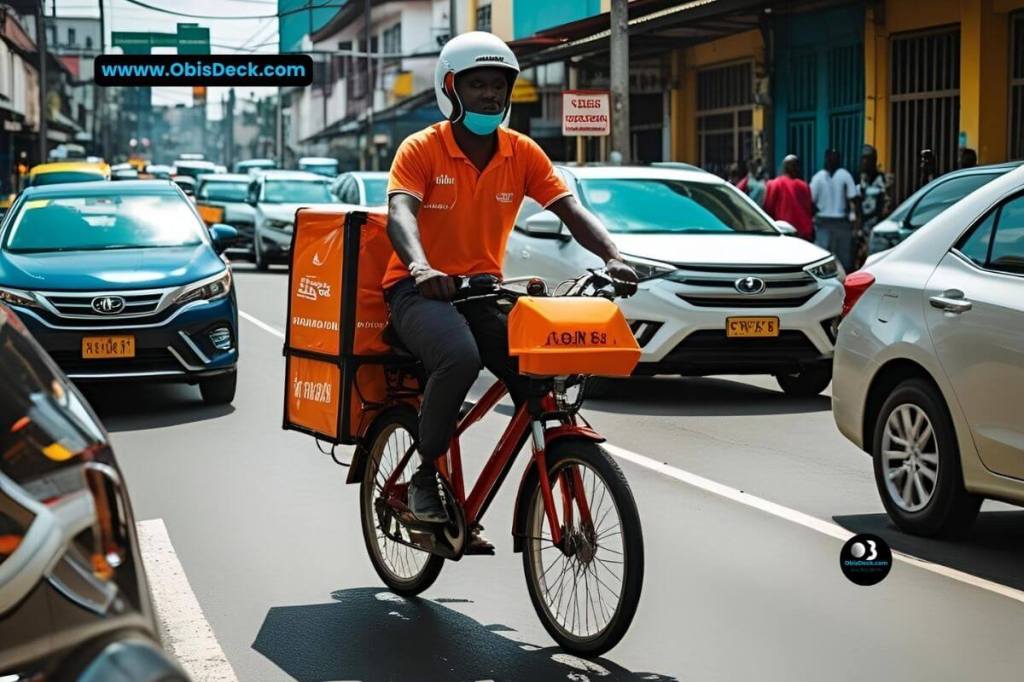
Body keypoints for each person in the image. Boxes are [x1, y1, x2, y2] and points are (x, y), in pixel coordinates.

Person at [383, 32, 639, 536]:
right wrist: (420, 268)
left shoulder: (521, 152)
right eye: (476, 85)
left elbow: (571, 210)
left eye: (498, 85)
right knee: (459, 358)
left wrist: (613, 256)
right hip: (418, 291)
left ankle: (550, 461)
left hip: (482, 291)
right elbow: (400, 214)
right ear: (450, 88)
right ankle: (424, 476)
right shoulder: (422, 149)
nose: (490, 96)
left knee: (539, 373)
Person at [809, 149, 860, 270]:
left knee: (833, 257)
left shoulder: (841, 175)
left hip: (837, 221)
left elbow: (811, 201)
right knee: (828, 257)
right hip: (829, 222)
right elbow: (853, 200)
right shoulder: (820, 177)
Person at [762, 154, 814, 241]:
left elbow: (768, 208)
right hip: (802, 233)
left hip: (783, 231)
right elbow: (809, 209)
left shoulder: (774, 184)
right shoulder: (804, 186)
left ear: (784, 168)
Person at [857, 144, 891, 267]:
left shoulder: (883, 180)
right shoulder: (860, 179)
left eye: (868, 158)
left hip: (876, 230)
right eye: (863, 158)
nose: (864, 162)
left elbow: (887, 206)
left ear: (874, 160)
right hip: (861, 231)